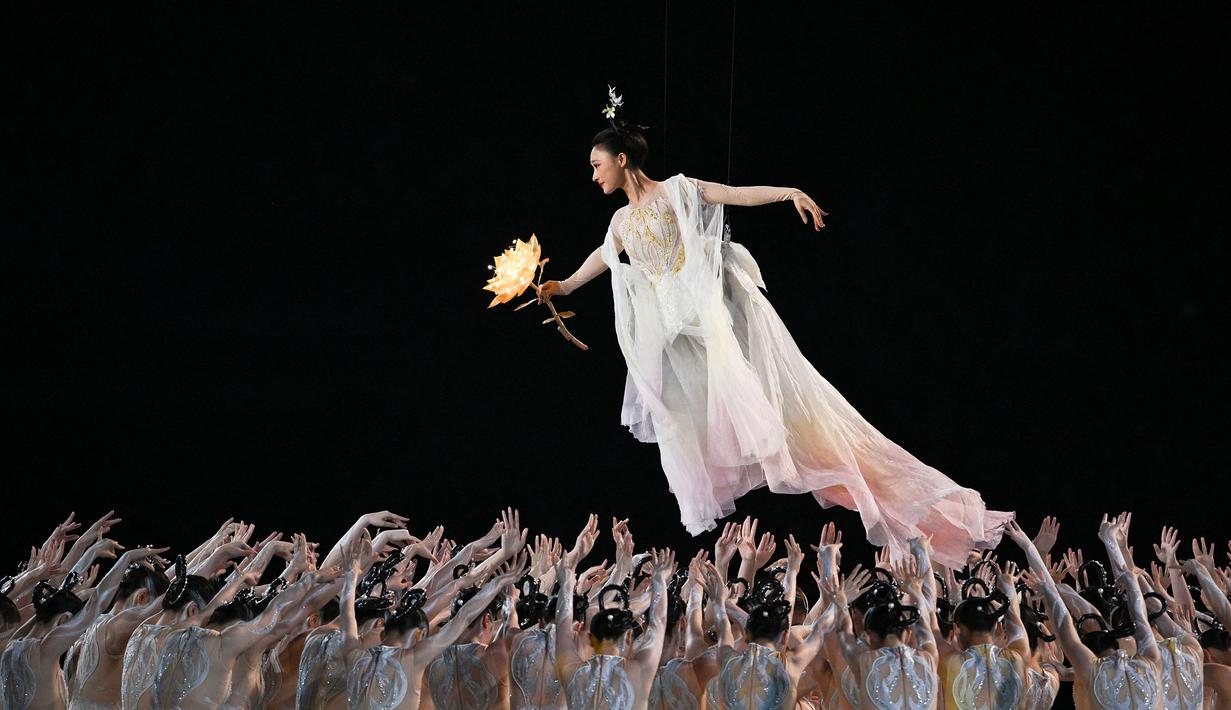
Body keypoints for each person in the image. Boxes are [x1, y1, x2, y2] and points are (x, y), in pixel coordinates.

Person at [536, 87, 1012, 568]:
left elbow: (735, 195)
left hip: (709, 324)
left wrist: (789, 193)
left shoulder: (676, 189)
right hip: (678, 342)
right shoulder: (620, 221)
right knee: (688, 422)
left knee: (801, 427)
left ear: (621, 159)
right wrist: (566, 287)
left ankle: (914, 504)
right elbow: (603, 257)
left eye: (598, 164)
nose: (593, 174)